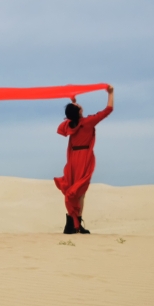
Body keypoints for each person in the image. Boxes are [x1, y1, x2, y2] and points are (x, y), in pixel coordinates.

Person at [54, 85, 114, 234]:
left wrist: (73, 102)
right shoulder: (88, 122)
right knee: (79, 191)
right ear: (79, 111)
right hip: (83, 158)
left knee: (73, 189)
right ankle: (76, 224)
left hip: (73, 159)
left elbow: (72, 117)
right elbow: (108, 109)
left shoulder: (69, 124)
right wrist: (110, 93)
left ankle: (71, 223)